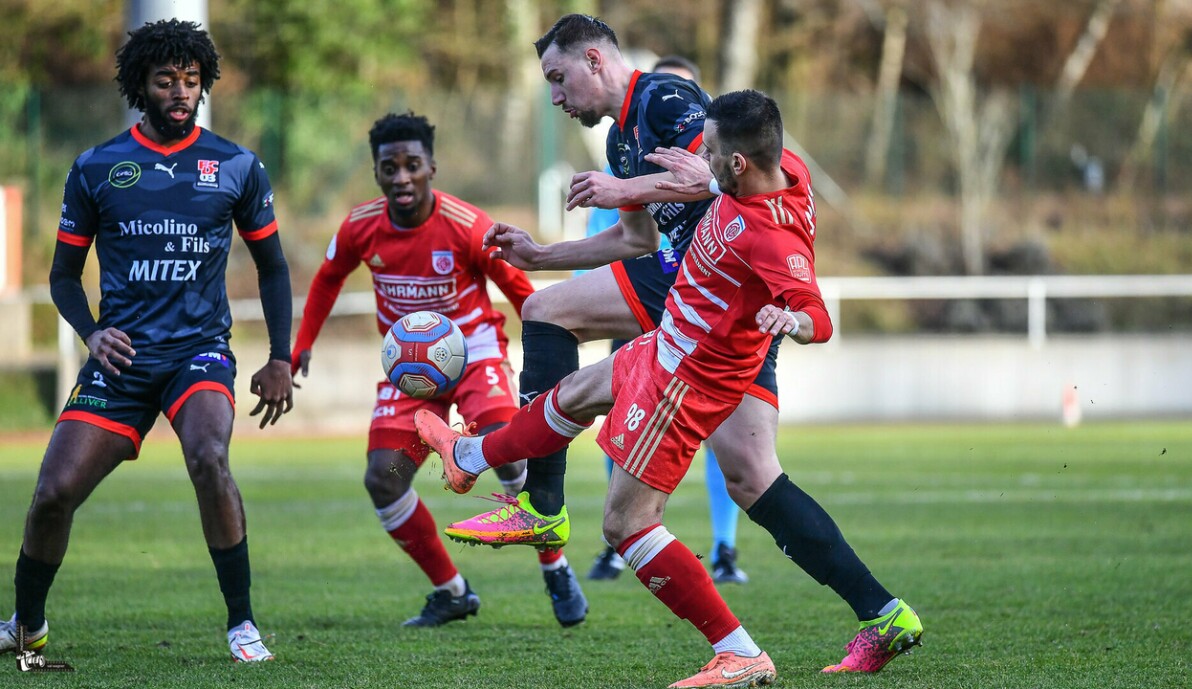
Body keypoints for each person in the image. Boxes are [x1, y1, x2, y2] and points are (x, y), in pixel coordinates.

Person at [443, 14, 923, 675]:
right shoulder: (632, 140)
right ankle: (883, 611)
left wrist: (630, 188)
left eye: (558, 80)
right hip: (699, 295)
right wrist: (545, 250)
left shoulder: (666, 100)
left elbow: (719, 176)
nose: (556, 97)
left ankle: (542, 507)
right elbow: (639, 235)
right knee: (752, 475)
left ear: (593, 60)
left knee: (555, 327)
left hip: (708, 320)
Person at [0, 19, 292, 662]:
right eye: (167, 80)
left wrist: (280, 356)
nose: (181, 91)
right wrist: (92, 333)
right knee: (53, 494)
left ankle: (242, 624)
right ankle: (26, 624)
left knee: (209, 459)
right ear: (142, 86)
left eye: (191, 80)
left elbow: (272, 266)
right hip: (123, 360)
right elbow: (62, 277)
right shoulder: (98, 167)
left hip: (199, 352)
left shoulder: (237, 165)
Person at [290, 112, 588, 628]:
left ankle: (554, 564)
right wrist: (300, 346)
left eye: (412, 165)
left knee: (511, 463)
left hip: (473, 357)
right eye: (390, 168)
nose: (401, 177)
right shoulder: (361, 227)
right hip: (409, 374)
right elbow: (326, 279)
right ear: (377, 172)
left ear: (431, 166)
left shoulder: (467, 225)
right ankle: (452, 592)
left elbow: (522, 290)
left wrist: (547, 354)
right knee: (386, 479)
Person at [584, 56, 747, 585]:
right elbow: (622, 239)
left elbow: (717, 187)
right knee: (619, 417)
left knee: (739, 452)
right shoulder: (624, 147)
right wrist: (543, 256)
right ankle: (582, 520)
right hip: (646, 299)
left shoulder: (709, 147)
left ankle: (724, 548)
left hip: (709, 298)